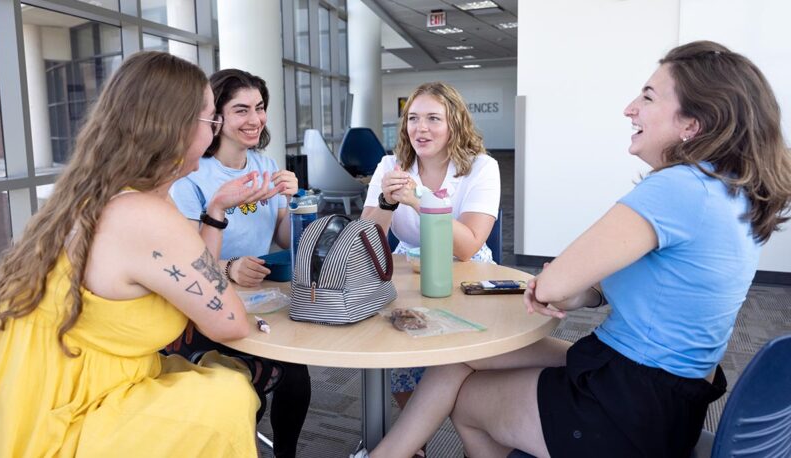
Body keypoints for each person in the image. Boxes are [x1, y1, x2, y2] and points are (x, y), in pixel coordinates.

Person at [352, 41, 791, 458]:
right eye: (414, 118)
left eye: (649, 98)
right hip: (669, 388)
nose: (630, 108)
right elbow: (621, 285)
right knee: (462, 355)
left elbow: (554, 284)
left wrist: (560, 285)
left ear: (692, 124)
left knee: (468, 404)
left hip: (629, 400)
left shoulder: (676, 188)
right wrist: (584, 291)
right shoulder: (730, 189)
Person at [0, 52, 277, 457]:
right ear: (176, 127)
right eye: (211, 119)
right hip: (78, 411)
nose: (216, 132)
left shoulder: (96, 195)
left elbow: (197, 277)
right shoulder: (144, 214)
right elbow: (229, 322)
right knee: (227, 397)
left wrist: (215, 212)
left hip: (43, 394)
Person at [169, 69, 310, 458]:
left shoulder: (266, 164)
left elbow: (284, 237)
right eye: (241, 110)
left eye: (260, 108)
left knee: (297, 375)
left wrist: (296, 203)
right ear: (217, 116)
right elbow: (185, 257)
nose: (255, 120)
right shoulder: (193, 177)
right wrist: (229, 267)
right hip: (209, 302)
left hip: (265, 296)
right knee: (249, 389)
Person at [361, 81, 500, 457]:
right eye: (414, 119)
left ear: (455, 123)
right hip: (412, 273)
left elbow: (470, 243)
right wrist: (387, 204)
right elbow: (366, 240)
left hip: (465, 275)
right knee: (403, 351)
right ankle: (414, 444)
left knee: (455, 361)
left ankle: (460, 438)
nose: (421, 128)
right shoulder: (391, 166)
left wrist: (419, 199)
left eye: (433, 119)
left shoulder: (481, 168)